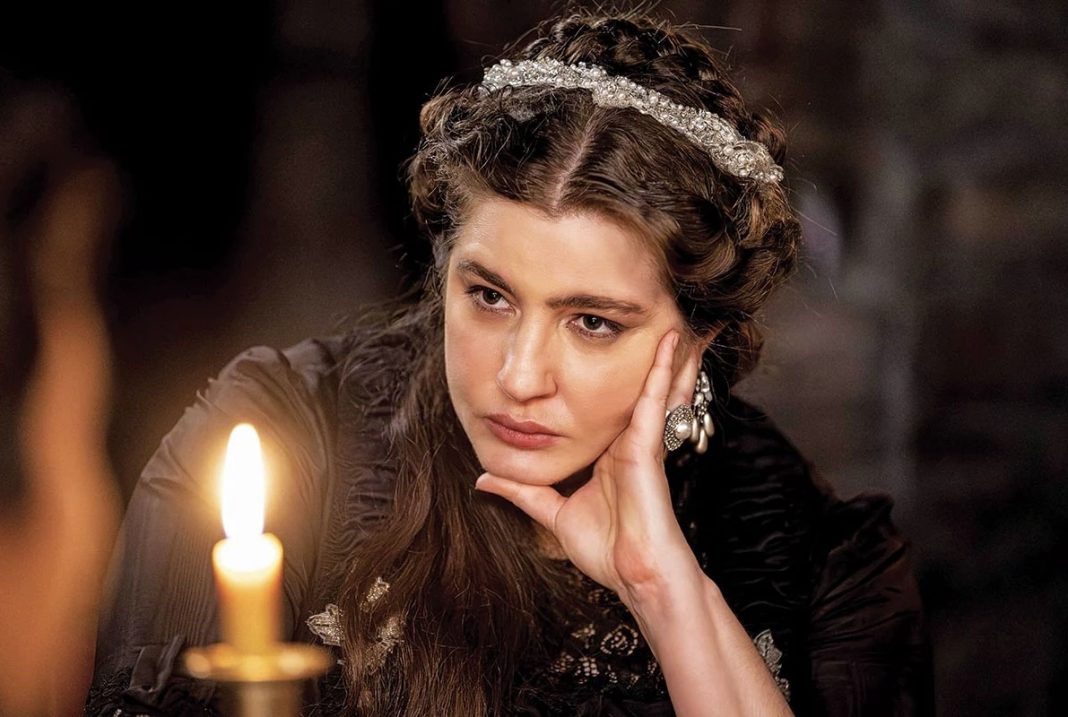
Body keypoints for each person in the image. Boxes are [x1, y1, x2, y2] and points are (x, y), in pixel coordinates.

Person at [87, 11, 932, 716]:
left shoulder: (822, 560)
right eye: (489, 295)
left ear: (695, 341)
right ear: (443, 268)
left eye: (592, 322)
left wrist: (664, 589)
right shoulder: (278, 447)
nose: (520, 376)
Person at [0, 76, 120, 716]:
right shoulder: (15, 324)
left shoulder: (68, 304)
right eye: (77, 211)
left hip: (70, 548)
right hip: (26, 552)